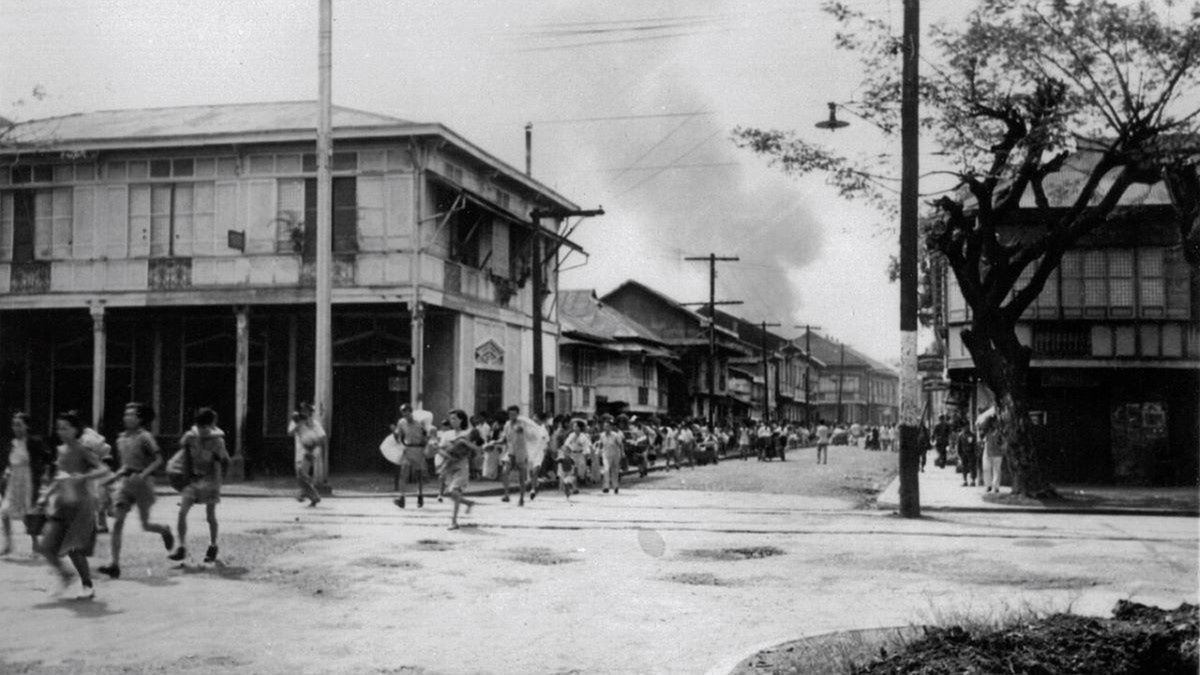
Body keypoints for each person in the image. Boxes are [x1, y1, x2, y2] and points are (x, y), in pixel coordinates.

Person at [97, 403, 174, 580]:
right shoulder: (121, 439)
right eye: (126, 414)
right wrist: (113, 479)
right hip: (126, 483)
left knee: (145, 525)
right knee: (118, 521)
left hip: (143, 484)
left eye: (131, 415)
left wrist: (143, 474)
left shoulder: (145, 437)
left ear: (140, 419)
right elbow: (125, 466)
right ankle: (114, 564)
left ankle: (164, 530)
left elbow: (158, 459)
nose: (127, 417)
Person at [40, 411, 108, 600]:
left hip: (81, 506)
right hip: (63, 503)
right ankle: (65, 575)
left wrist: (84, 477)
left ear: (75, 430)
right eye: (58, 428)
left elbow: (105, 470)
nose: (61, 431)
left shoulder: (82, 450)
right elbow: (59, 476)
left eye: (65, 428)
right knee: (46, 546)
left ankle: (87, 585)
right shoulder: (61, 450)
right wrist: (47, 494)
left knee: (74, 548)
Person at [168, 408, 230, 563]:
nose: (203, 429)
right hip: (193, 479)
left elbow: (225, 460)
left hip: (210, 480)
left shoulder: (218, 441)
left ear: (211, 424)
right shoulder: (190, 437)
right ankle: (181, 547)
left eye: (206, 425)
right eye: (200, 425)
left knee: (210, 515)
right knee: (182, 512)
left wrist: (220, 480)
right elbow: (184, 451)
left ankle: (213, 545)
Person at [1, 412, 51, 556]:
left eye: (19, 425)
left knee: (29, 514)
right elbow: (10, 462)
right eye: (14, 424)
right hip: (13, 481)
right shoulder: (12, 443)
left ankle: (36, 546)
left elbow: (48, 457)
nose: (15, 428)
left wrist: (46, 474)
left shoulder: (34, 442)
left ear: (26, 426)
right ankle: (8, 544)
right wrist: (7, 471)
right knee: (5, 512)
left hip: (28, 480)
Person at [437, 410, 478, 530]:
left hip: (461, 466)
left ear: (461, 420)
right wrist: (446, 455)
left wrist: (465, 443)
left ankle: (453, 522)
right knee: (449, 493)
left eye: (455, 418)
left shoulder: (467, 433)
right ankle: (468, 503)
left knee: (454, 491)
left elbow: (476, 449)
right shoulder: (447, 434)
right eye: (451, 418)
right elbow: (439, 449)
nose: (452, 421)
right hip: (449, 465)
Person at [288, 403, 325, 507]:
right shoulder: (296, 421)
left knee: (302, 472)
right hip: (299, 451)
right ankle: (313, 497)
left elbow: (322, 436)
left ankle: (304, 493)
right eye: (303, 411)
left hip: (310, 450)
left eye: (307, 411)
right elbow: (290, 432)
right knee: (299, 475)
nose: (305, 413)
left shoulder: (314, 423)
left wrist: (313, 445)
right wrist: (299, 423)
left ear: (310, 413)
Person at [500, 405, 532, 506]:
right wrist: (495, 443)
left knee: (521, 478)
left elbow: (527, 434)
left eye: (514, 414)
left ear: (517, 414)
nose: (512, 416)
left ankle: (521, 498)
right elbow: (504, 438)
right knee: (505, 472)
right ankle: (506, 494)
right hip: (510, 452)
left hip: (521, 452)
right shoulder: (507, 424)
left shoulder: (522, 424)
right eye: (510, 414)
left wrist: (521, 430)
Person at [596, 415, 624, 494]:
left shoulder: (615, 435)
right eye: (605, 426)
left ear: (611, 427)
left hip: (615, 455)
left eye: (607, 426)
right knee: (606, 470)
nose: (606, 428)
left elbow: (620, 444)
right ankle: (606, 487)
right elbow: (600, 444)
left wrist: (622, 453)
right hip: (606, 455)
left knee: (614, 471)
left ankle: (615, 487)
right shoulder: (602, 435)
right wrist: (598, 452)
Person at [978, 408, 1004, 493]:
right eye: (992, 422)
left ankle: (995, 487)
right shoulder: (986, 432)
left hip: (997, 453)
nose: (994, 424)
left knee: (996, 470)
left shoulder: (999, 432)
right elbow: (981, 435)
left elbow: (1002, 442)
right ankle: (988, 485)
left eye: (995, 422)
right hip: (987, 452)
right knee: (986, 469)